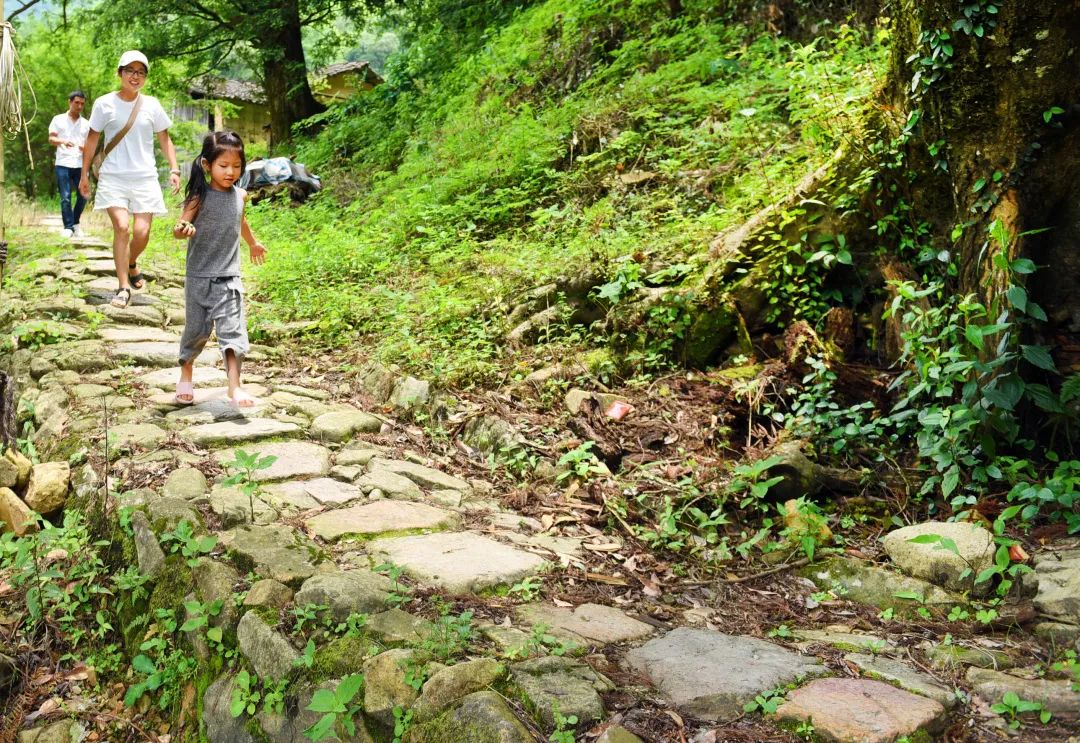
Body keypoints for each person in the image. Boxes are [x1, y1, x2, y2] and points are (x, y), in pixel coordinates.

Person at [78, 50, 181, 308]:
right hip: (113, 176)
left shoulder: (152, 105)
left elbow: (165, 138)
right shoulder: (104, 104)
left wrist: (174, 168)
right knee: (122, 227)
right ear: (120, 73)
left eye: (140, 72)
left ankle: (131, 261)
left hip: (145, 177)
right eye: (130, 71)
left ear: (144, 77)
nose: (135, 76)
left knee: (142, 232)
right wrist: (84, 174)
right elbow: (92, 139)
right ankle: (123, 286)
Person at [173, 131, 267, 408]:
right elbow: (179, 229)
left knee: (233, 332)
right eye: (223, 166)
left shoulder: (240, 195)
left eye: (236, 166)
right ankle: (186, 372)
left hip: (229, 277)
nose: (230, 172)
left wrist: (252, 243)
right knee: (196, 331)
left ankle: (234, 387)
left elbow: (240, 220)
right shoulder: (198, 196)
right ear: (207, 164)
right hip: (199, 276)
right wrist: (184, 229)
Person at [48, 90, 90, 238]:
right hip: (63, 163)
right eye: (77, 102)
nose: (79, 106)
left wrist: (85, 148)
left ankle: (75, 223)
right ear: (70, 102)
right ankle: (68, 227)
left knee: (83, 196)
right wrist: (63, 141)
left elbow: (90, 146)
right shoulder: (58, 119)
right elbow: (51, 139)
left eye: (82, 104)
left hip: (80, 164)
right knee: (65, 196)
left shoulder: (86, 124)